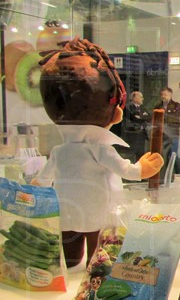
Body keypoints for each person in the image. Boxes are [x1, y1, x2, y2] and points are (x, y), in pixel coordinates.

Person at [34, 37, 163, 268]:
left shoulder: (59, 151)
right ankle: (92, 268)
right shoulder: (99, 149)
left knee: (70, 248)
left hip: (67, 212)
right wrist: (142, 169)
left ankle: (71, 263)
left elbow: (42, 180)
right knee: (98, 254)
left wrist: (31, 190)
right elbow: (126, 170)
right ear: (114, 112)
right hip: (97, 212)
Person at [154, 87, 180, 178]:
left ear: (170, 94)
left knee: (173, 154)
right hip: (162, 134)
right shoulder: (158, 106)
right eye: (162, 94)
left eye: (165, 94)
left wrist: (163, 114)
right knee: (163, 155)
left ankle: (179, 174)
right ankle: (166, 176)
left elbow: (174, 118)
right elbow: (155, 119)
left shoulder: (176, 105)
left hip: (173, 134)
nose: (163, 96)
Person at [123, 91, 151, 160]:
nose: (143, 99)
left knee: (141, 154)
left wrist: (140, 117)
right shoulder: (128, 107)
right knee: (132, 154)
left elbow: (149, 117)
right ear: (135, 98)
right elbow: (134, 119)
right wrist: (142, 118)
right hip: (133, 134)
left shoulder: (142, 108)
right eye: (141, 97)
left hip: (142, 135)